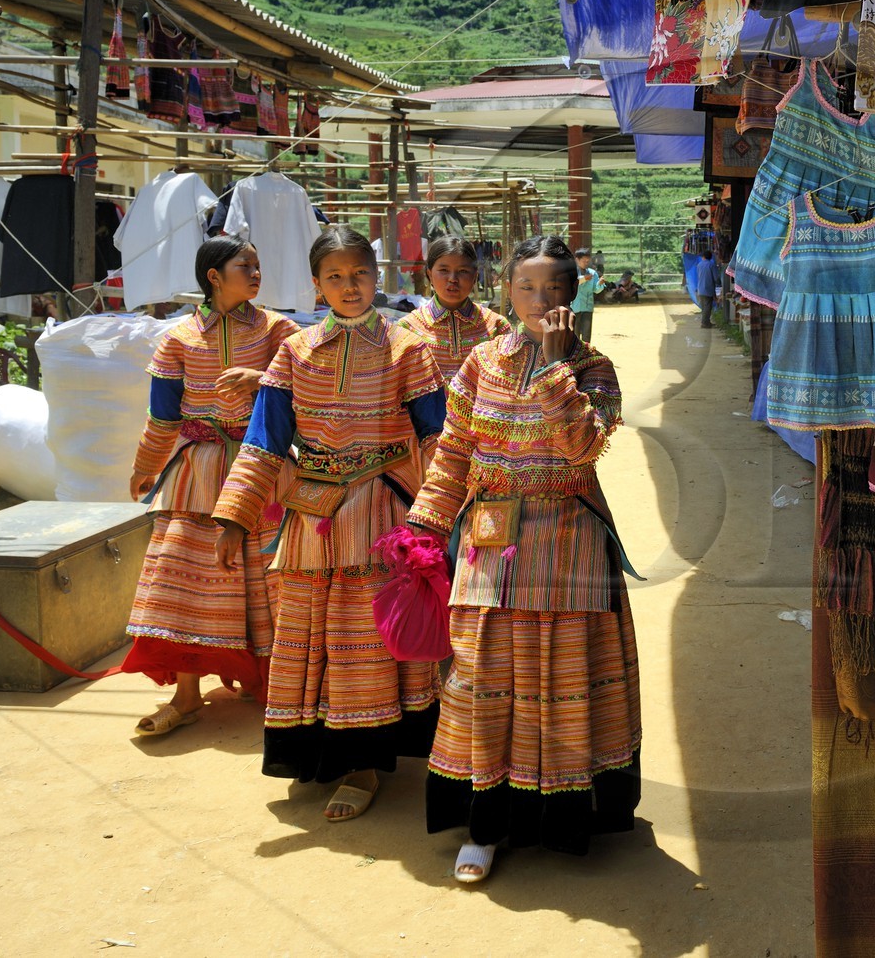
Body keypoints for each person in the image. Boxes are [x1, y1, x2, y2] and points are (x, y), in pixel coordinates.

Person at [408, 234, 640, 884]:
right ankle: (484, 824)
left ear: (573, 294)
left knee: (564, 672)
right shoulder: (479, 362)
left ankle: (565, 815)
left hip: (569, 535)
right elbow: (455, 451)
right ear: (506, 292)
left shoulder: (595, 370)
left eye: (554, 290)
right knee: (484, 673)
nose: (540, 301)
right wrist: (423, 526)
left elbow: (579, 449)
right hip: (489, 531)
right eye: (526, 288)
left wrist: (554, 364)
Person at [212, 225, 448, 822]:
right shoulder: (293, 353)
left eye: (361, 274)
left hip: (380, 509)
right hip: (310, 514)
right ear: (316, 284)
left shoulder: (407, 350)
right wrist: (233, 519)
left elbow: (439, 439)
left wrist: (447, 517)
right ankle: (322, 747)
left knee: (364, 636)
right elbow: (265, 442)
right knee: (309, 634)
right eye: (335, 277)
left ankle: (364, 762)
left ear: (379, 276)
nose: (350, 286)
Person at [124, 235, 299, 737]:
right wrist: (147, 465)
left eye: (258, 263)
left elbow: (312, 381)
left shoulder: (277, 329)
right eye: (246, 264)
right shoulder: (178, 337)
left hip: (263, 464)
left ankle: (273, 685)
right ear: (214, 276)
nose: (257, 272)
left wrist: (263, 377)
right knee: (190, 581)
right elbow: (163, 414)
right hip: (197, 472)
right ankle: (186, 696)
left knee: (271, 579)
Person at [398, 235, 512, 383]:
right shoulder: (407, 328)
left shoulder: (497, 327)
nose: (453, 278)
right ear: (429, 275)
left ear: (475, 277)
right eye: (444, 270)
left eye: (463, 271)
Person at [570, 248, 602, 343]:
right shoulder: (572, 272)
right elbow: (572, 283)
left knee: (586, 334)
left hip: (588, 307)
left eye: (588, 261)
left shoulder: (593, 273)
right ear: (577, 260)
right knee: (574, 333)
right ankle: (574, 355)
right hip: (575, 307)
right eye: (584, 261)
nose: (586, 263)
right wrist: (584, 278)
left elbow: (596, 290)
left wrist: (600, 284)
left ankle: (586, 354)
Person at [694, 250, 719, 328]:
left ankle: (706, 322)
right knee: (708, 307)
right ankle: (705, 323)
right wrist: (719, 285)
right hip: (708, 289)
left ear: (703, 257)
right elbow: (716, 278)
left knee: (704, 307)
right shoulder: (711, 265)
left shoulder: (699, 265)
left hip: (700, 289)